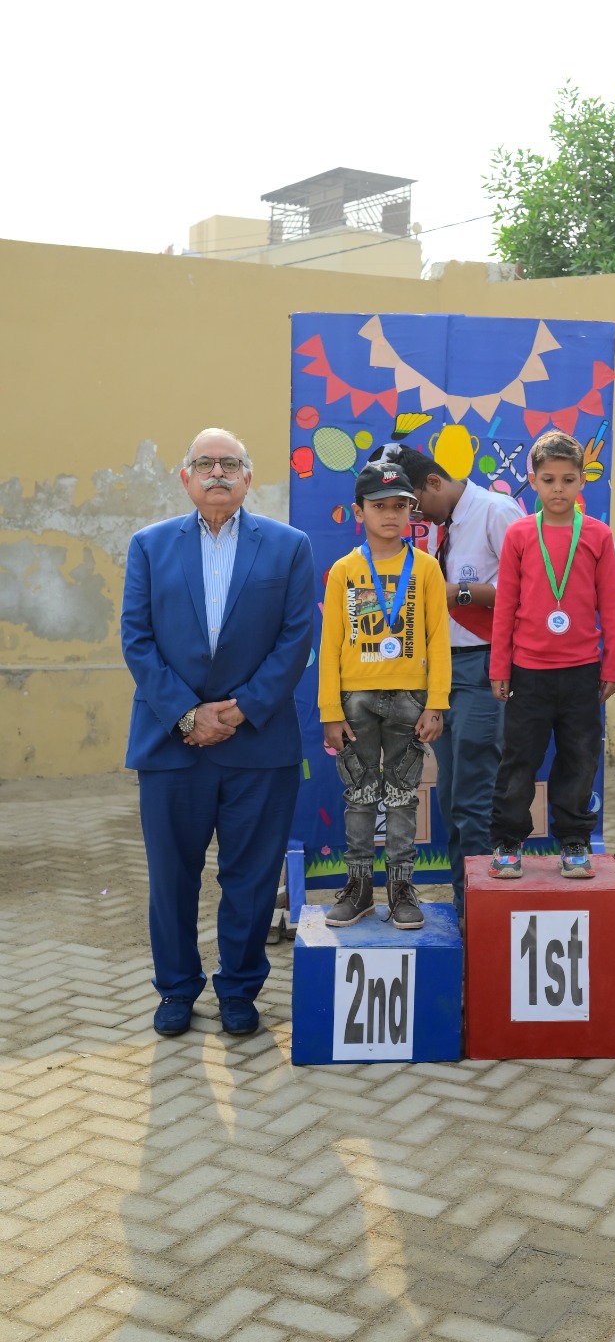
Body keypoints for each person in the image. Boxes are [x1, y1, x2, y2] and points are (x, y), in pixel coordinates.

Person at [120, 428, 314, 1038]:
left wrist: (240, 710)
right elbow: (137, 639)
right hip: (171, 742)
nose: (217, 473)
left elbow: (296, 639)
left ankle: (239, 988)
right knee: (171, 878)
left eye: (230, 463)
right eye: (204, 463)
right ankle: (177, 989)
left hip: (258, 742)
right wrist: (188, 713)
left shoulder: (288, 547)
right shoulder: (149, 546)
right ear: (185, 478)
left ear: (248, 478)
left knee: (250, 879)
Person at [370, 441, 521, 917]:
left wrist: (458, 593)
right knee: (453, 799)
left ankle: (482, 916)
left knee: (474, 799)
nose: (412, 516)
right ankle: (465, 906)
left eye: (414, 504)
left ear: (433, 482)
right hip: (444, 670)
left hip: (484, 666)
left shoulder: (496, 511)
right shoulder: (447, 525)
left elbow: (531, 588)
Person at [318, 460, 451, 930]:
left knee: (401, 796)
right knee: (359, 795)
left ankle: (400, 889)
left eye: (400, 506)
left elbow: (439, 639)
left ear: (412, 510)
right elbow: (330, 644)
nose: (391, 515)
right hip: (354, 699)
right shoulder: (344, 571)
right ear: (359, 512)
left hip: (411, 699)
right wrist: (329, 710)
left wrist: (437, 703)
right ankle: (358, 888)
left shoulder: (427, 568)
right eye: (379, 506)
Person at [487, 430, 615, 878]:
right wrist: (500, 666)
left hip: (583, 672)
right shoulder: (520, 534)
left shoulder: (598, 535)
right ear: (533, 480)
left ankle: (575, 841)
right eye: (548, 480)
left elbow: (610, 606)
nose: (558, 489)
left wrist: (611, 665)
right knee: (518, 759)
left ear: (582, 480)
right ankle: (508, 842)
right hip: (528, 672)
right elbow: (505, 606)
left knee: (579, 760)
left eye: (567, 479)